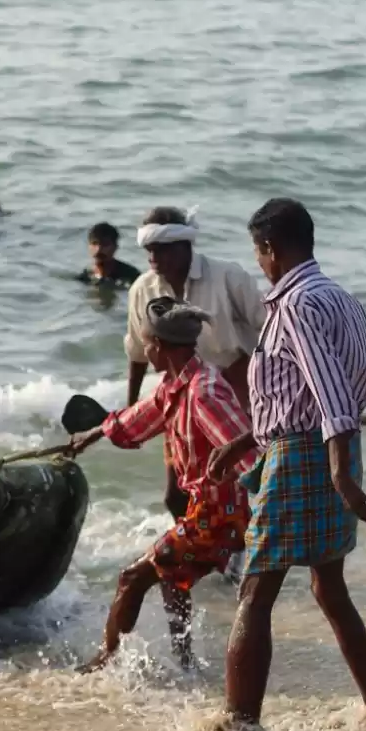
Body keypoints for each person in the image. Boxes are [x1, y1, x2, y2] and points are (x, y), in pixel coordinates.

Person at [208, 198, 366, 731]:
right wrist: (248, 436)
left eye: (258, 253)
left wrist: (339, 474)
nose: (259, 264)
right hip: (326, 445)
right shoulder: (342, 299)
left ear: (271, 248)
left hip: (307, 457)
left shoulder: (294, 306)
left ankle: (240, 725)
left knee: (255, 592)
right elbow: (314, 390)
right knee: (328, 587)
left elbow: (329, 390)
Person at [70, 299, 256, 673]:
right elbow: (138, 418)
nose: (144, 350)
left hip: (219, 513)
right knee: (173, 577)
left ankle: (104, 661)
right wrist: (93, 434)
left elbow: (248, 453)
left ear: (161, 345)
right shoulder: (175, 386)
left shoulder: (204, 393)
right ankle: (186, 664)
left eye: (147, 342)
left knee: (132, 577)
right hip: (205, 510)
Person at [124, 205, 265, 519]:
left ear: (184, 245)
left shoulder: (229, 277)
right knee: (177, 495)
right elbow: (136, 353)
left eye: (161, 250)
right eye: (149, 250)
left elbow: (270, 329)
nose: (153, 258)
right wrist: (130, 409)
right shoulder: (141, 290)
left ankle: (233, 553)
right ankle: (195, 554)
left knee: (232, 483)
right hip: (180, 398)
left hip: (233, 392)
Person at [77, 223, 139, 288]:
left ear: (115, 247)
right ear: (89, 246)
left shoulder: (130, 275)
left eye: (105, 244)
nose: (99, 249)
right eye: (94, 243)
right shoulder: (85, 276)